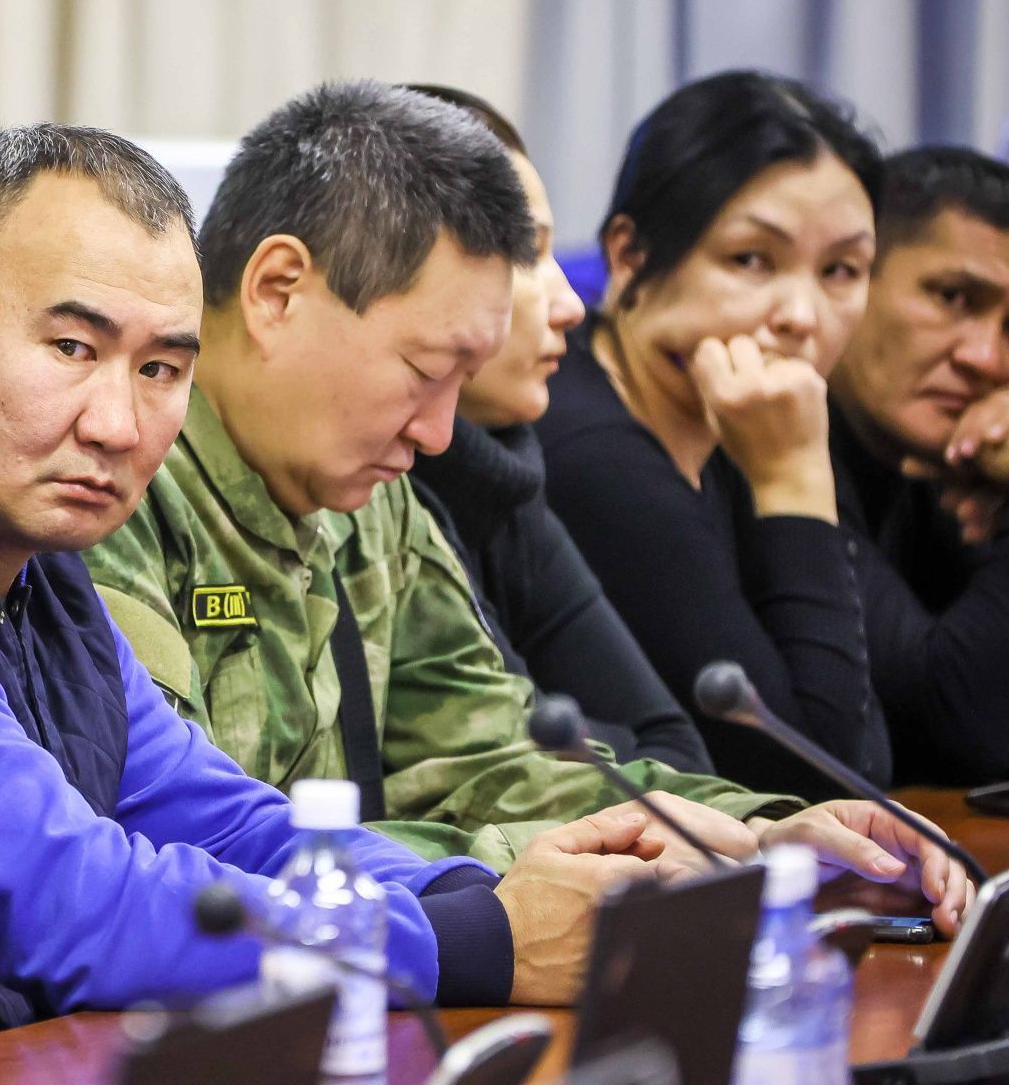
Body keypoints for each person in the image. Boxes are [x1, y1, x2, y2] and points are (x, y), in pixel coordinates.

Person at [0, 121, 747, 1038]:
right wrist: (486, 939)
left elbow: (225, 821)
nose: (120, 425)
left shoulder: (30, 560)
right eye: (72, 348)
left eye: (163, 367)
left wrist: (489, 893)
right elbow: (76, 902)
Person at [81, 81, 964, 934]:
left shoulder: (368, 499)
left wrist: (753, 832)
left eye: (463, 382)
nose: (439, 433)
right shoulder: (113, 484)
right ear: (278, 290)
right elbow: (186, 837)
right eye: (426, 372)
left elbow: (489, 754)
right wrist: (546, 870)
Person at [537, 71, 889, 799]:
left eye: (841, 270)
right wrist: (793, 479)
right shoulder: (589, 449)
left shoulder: (748, 412)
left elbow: (870, 738)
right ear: (629, 255)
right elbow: (819, 773)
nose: (801, 315)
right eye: (751, 259)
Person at [401, 85, 712, 774]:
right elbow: (507, 764)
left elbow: (677, 748)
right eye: (524, 253)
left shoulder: (504, 466)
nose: (571, 304)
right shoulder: (375, 489)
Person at [826, 146, 1009, 783]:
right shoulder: (761, 444)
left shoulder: (952, 463)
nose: (986, 358)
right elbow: (961, 726)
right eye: (953, 297)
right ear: (849, 277)